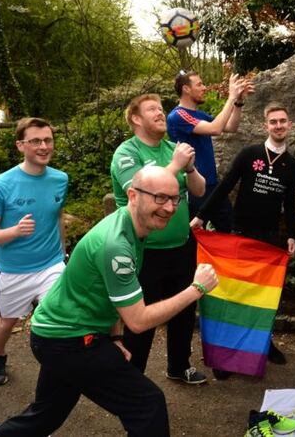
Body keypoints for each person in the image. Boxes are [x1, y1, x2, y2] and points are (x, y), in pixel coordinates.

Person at [0, 167, 219, 437]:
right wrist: (196, 289)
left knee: (46, 414)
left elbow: (111, 297)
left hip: (56, 334)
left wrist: (114, 338)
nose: (169, 207)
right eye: (159, 198)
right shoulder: (116, 246)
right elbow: (139, 320)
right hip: (68, 340)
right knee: (147, 403)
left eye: (175, 199)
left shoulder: (133, 226)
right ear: (133, 195)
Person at [190, 102, 295, 377]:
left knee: (265, 295)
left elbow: (289, 203)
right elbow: (225, 185)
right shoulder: (249, 154)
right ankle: (223, 356)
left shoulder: (293, 166)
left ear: (290, 125)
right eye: (273, 121)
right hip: (240, 234)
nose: (278, 126)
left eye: (282, 121)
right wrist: (202, 216)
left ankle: (264, 343)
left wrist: (291, 235)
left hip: (269, 239)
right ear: (266, 125)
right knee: (235, 295)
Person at [111, 93, 209, 384]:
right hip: (144, 250)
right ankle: (132, 377)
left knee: (183, 308)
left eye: (161, 108)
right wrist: (177, 165)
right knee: (141, 319)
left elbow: (200, 190)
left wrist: (189, 167)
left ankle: (179, 366)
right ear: (136, 119)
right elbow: (145, 195)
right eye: (152, 109)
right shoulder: (127, 153)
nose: (160, 113)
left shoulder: (171, 149)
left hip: (181, 245)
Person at [0, 117, 68, 387]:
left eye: (48, 140)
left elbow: (58, 217)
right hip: (13, 270)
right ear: (20, 145)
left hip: (52, 265)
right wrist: (14, 232)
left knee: (59, 316)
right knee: (7, 323)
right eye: (35, 141)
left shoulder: (60, 179)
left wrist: (63, 254)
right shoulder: (0, 186)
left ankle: (58, 367)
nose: (43, 146)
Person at [168, 70, 255, 232]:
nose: (205, 88)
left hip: (213, 186)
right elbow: (215, 129)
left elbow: (230, 127)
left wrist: (238, 102)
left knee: (229, 230)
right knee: (196, 238)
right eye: (199, 84)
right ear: (186, 89)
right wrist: (231, 97)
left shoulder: (198, 114)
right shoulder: (178, 115)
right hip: (194, 189)